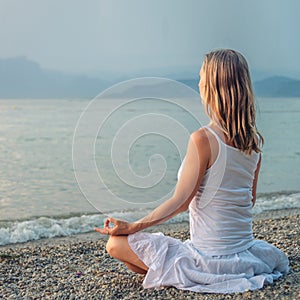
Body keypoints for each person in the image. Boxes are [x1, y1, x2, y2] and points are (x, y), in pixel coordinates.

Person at [94, 49, 289, 293]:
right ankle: (171, 271)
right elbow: (248, 201)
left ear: (212, 86)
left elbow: (181, 202)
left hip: (208, 258)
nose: (198, 83)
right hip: (244, 255)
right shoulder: (254, 144)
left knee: (115, 245)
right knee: (138, 256)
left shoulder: (203, 139)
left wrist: (132, 227)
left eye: (201, 77)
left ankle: (182, 273)